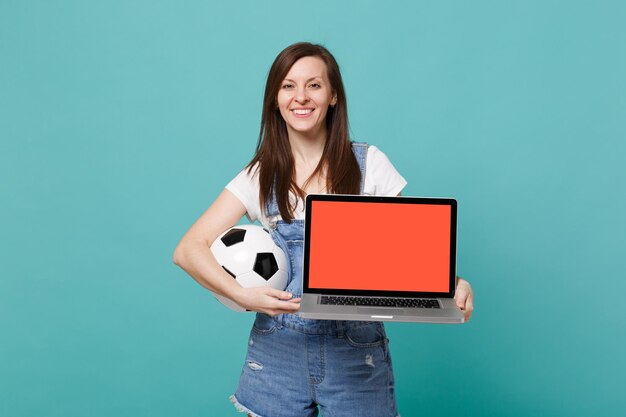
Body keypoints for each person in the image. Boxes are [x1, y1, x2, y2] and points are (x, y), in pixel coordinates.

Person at [173, 42, 474, 417]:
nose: (301, 97)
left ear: (332, 96)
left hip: (356, 356)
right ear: (275, 99)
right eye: (288, 86)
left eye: (314, 85)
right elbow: (188, 249)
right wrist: (242, 295)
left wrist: (453, 284)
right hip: (276, 355)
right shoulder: (259, 175)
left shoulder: (369, 164)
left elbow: (411, 254)